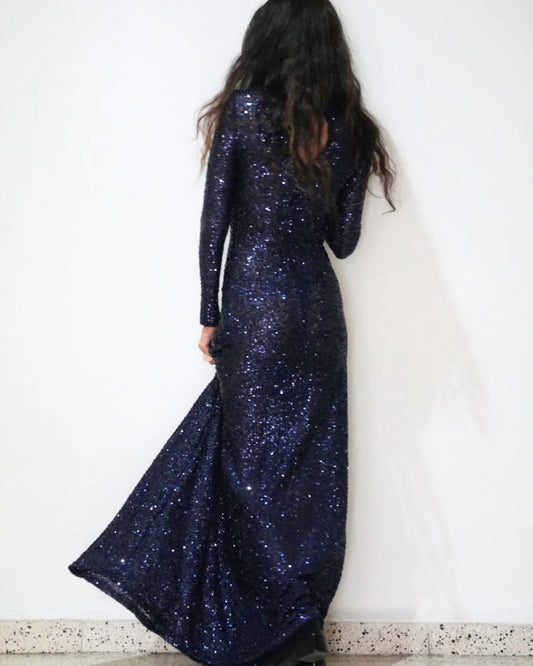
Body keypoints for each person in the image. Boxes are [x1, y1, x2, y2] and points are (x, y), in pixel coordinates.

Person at [67, 1, 396, 665]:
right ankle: (302, 626)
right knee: (311, 476)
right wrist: (339, 168)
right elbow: (343, 242)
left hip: (253, 309)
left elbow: (213, 225)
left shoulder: (243, 113)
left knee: (249, 471)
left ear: (265, 41)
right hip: (317, 318)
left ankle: (266, 629)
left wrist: (208, 314)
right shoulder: (350, 129)